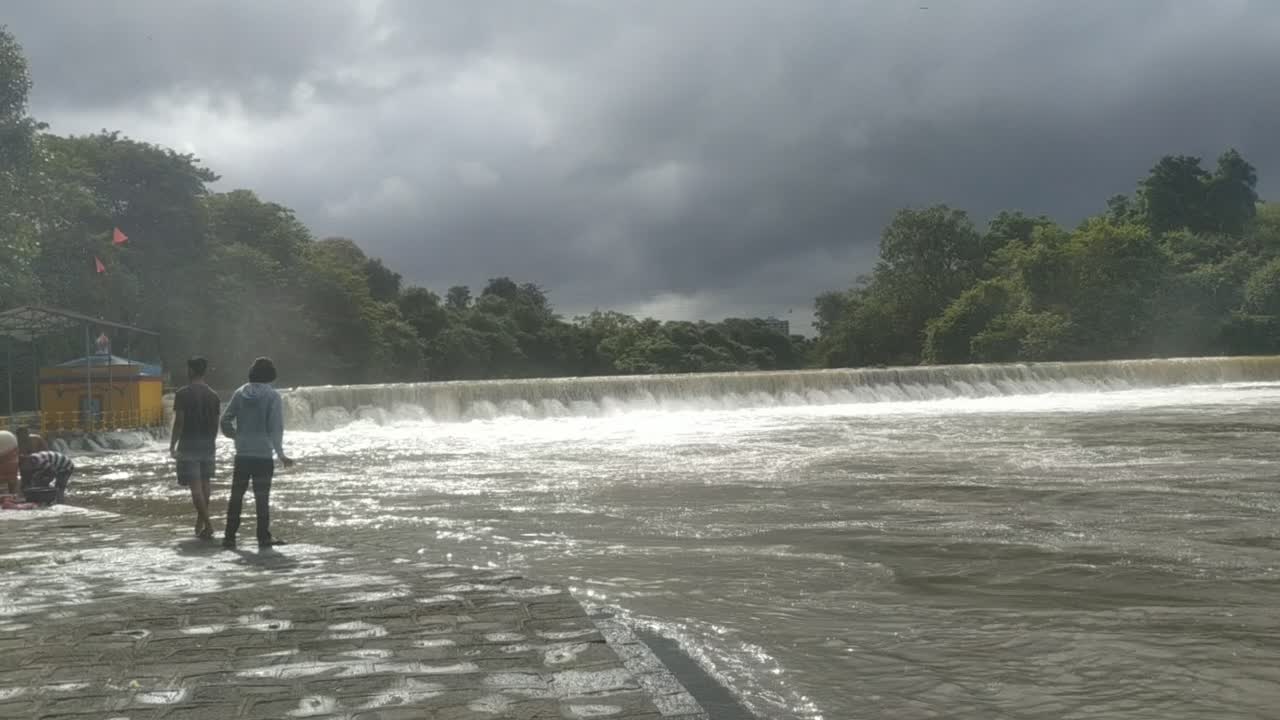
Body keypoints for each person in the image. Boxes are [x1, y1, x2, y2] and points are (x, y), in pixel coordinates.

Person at [219, 357, 293, 550]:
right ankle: (263, 537)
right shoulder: (272, 396)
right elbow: (275, 428)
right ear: (271, 375)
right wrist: (281, 454)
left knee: (236, 497)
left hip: (242, 454)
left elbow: (225, 420)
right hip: (262, 456)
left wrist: (236, 436)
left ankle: (229, 537)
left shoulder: (239, 392)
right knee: (262, 498)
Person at [171, 357, 221, 540]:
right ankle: (201, 522)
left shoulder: (182, 394)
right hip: (208, 445)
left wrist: (172, 445)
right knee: (206, 484)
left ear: (191, 371)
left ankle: (208, 524)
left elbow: (179, 423)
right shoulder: (214, 395)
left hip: (189, 445)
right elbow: (216, 425)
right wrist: (211, 442)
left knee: (195, 488)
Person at [0, 431, 18, 497]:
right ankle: (12, 494)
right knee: (11, 475)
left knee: (10, 475)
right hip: (10, 442)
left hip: (9, 444)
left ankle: (12, 495)